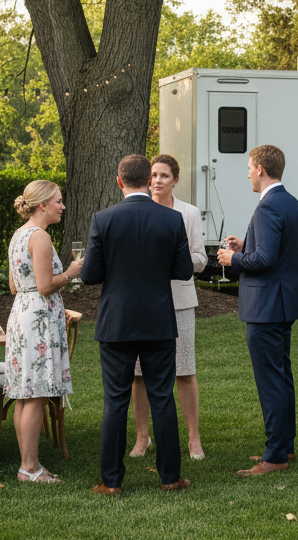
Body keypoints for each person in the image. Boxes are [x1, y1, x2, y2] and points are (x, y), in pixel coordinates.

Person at [81, 154, 194, 496]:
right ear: (148, 180)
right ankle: (170, 477)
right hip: (158, 320)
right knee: (162, 398)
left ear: (119, 181)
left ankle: (111, 481)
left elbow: (90, 275)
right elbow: (183, 270)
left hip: (117, 322)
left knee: (115, 401)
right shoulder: (171, 219)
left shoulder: (103, 219)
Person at [217, 145, 298, 477]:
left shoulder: (268, 206)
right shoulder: (290, 202)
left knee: (271, 382)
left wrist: (234, 259)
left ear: (260, 169)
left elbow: (265, 260)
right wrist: (247, 245)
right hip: (283, 302)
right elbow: (277, 251)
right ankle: (285, 445)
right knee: (282, 376)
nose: (248, 175)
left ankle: (275, 456)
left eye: (249, 169)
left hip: (265, 306)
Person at [129, 154, 209, 460]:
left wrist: (173, 260)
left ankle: (194, 438)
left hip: (179, 303)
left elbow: (200, 259)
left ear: (175, 180)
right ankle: (142, 437)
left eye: (164, 175)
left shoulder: (189, 213)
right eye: (153, 175)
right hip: (143, 303)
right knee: (139, 373)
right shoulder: (138, 209)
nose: (157, 181)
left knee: (184, 371)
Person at [4, 180, 82, 484]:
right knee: (36, 394)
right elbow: (46, 285)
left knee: (25, 394)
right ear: (42, 205)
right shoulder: (40, 237)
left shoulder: (18, 235)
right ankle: (29, 467)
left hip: (21, 313)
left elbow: (14, 286)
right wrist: (71, 273)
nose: (62, 206)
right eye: (58, 201)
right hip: (38, 319)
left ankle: (30, 465)